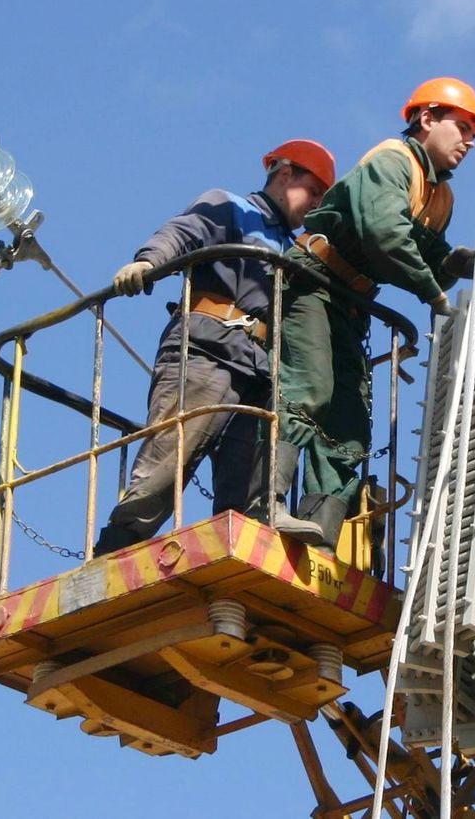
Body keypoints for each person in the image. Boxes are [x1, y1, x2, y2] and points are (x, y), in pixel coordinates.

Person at [256, 78, 475, 552]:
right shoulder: (393, 161)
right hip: (313, 282)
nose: (467, 142)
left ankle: (319, 536)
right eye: (461, 127)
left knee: (349, 424)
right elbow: (385, 236)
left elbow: (420, 250)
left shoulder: (440, 196)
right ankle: (265, 502)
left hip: (350, 303)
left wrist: (448, 265)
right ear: (427, 119)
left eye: (472, 135)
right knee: (309, 388)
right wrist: (432, 293)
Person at [93, 139, 336, 556]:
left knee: (248, 484)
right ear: (284, 175)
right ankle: (112, 552)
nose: (314, 204)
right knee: (167, 465)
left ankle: (242, 555)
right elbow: (185, 232)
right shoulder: (229, 206)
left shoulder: (294, 247)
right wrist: (148, 261)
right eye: (312, 191)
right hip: (208, 350)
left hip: (259, 369)